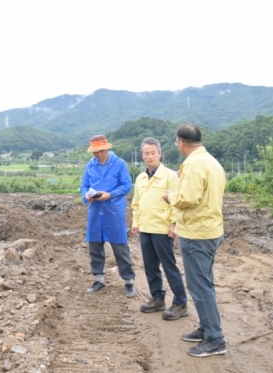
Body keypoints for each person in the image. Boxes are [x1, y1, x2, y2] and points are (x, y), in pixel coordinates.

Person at [162, 124, 227, 357]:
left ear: (180, 142)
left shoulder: (193, 163)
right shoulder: (211, 161)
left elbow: (188, 198)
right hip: (210, 230)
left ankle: (215, 339)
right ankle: (206, 327)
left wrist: (170, 196)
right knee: (204, 283)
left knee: (200, 287)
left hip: (197, 234)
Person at [131, 137, 188, 320]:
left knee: (169, 266)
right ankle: (158, 298)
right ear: (142, 155)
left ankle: (180, 303)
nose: (150, 156)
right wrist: (136, 222)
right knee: (150, 266)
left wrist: (174, 223)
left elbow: (177, 202)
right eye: (146, 153)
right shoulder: (140, 178)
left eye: (153, 152)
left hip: (163, 228)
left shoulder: (170, 176)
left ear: (160, 153)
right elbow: (136, 204)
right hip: (146, 228)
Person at [80, 134, 136, 298]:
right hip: (96, 211)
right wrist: (86, 196)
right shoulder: (90, 166)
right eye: (95, 152)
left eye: (100, 151)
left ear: (106, 148)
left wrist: (110, 194)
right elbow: (83, 185)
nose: (97, 155)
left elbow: (126, 185)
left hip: (113, 210)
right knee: (95, 245)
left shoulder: (119, 164)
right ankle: (99, 279)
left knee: (120, 247)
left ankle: (129, 281)